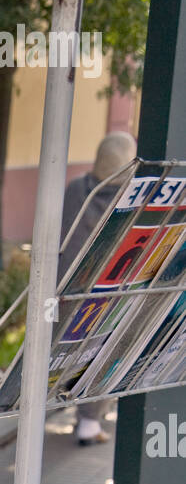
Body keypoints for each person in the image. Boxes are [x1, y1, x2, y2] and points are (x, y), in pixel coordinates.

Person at [58, 129, 138, 445]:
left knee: (66, 353)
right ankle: (89, 422)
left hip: (67, 289)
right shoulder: (131, 197)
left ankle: (65, 409)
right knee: (104, 356)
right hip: (109, 294)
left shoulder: (77, 188)